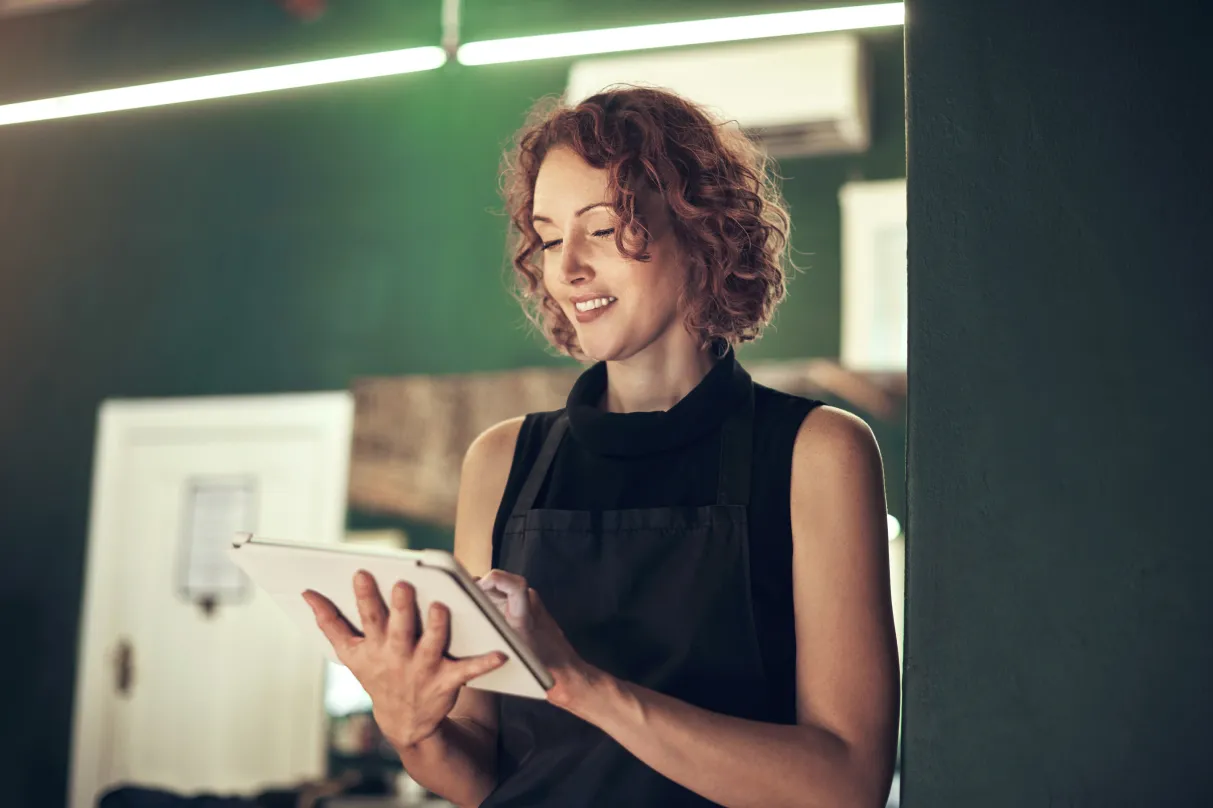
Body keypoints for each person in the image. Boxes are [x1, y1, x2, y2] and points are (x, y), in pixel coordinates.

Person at [303, 87, 901, 807]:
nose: (567, 269)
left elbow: (844, 785)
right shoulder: (501, 464)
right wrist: (411, 727)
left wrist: (577, 683)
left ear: (701, 230)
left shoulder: (817, 452)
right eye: (550, 237)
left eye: (603, 227)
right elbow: (480, 776)